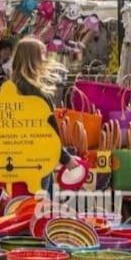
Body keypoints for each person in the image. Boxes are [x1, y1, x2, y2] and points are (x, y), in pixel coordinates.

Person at [10, 36, 82, 170]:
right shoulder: (35, 92)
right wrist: (66, 159)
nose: (45, 59)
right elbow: (47, 132)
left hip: (16, 159)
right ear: (34, 59)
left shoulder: (11, 88)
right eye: (42, 54)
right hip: (39, 160)